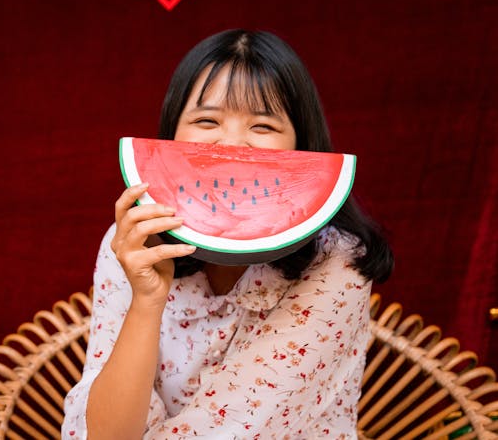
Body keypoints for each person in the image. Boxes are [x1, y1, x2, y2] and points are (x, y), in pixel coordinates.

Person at [62, 29, 393, 439]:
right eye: (206, 120)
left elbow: (239, 429)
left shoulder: (336, 262)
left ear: (302, 143)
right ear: (172, 135)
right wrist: (147, 300)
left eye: (264, 126)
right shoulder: (133, 242)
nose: (233, 145)